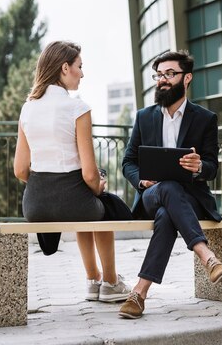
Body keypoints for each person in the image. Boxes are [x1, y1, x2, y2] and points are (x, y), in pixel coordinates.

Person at [13, 40, 131, 303]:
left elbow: (20, 169)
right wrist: (96, 187)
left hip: (34, 206)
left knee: (85, 206)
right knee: (99, 206)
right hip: (73, 202)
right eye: (80, 66)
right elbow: (89, 174)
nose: (83, 73)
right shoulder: (78, 108)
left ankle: (92, 280)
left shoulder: (27, 109)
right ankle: (110, 282)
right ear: (65, 68)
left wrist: (45, 187)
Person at [118, 50, 222, 319]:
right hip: (151, 195)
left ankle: (139, 293)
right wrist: (141, 179)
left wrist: (199, 166)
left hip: (189, 198)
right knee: (166, 188)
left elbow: (212, 167)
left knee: (168, 213)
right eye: (159, 75)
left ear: (186, 78)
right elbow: (128, 162)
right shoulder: (144, 117)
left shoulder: (205, 119)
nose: (163, 80)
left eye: (170, 74)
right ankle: (206, 255)